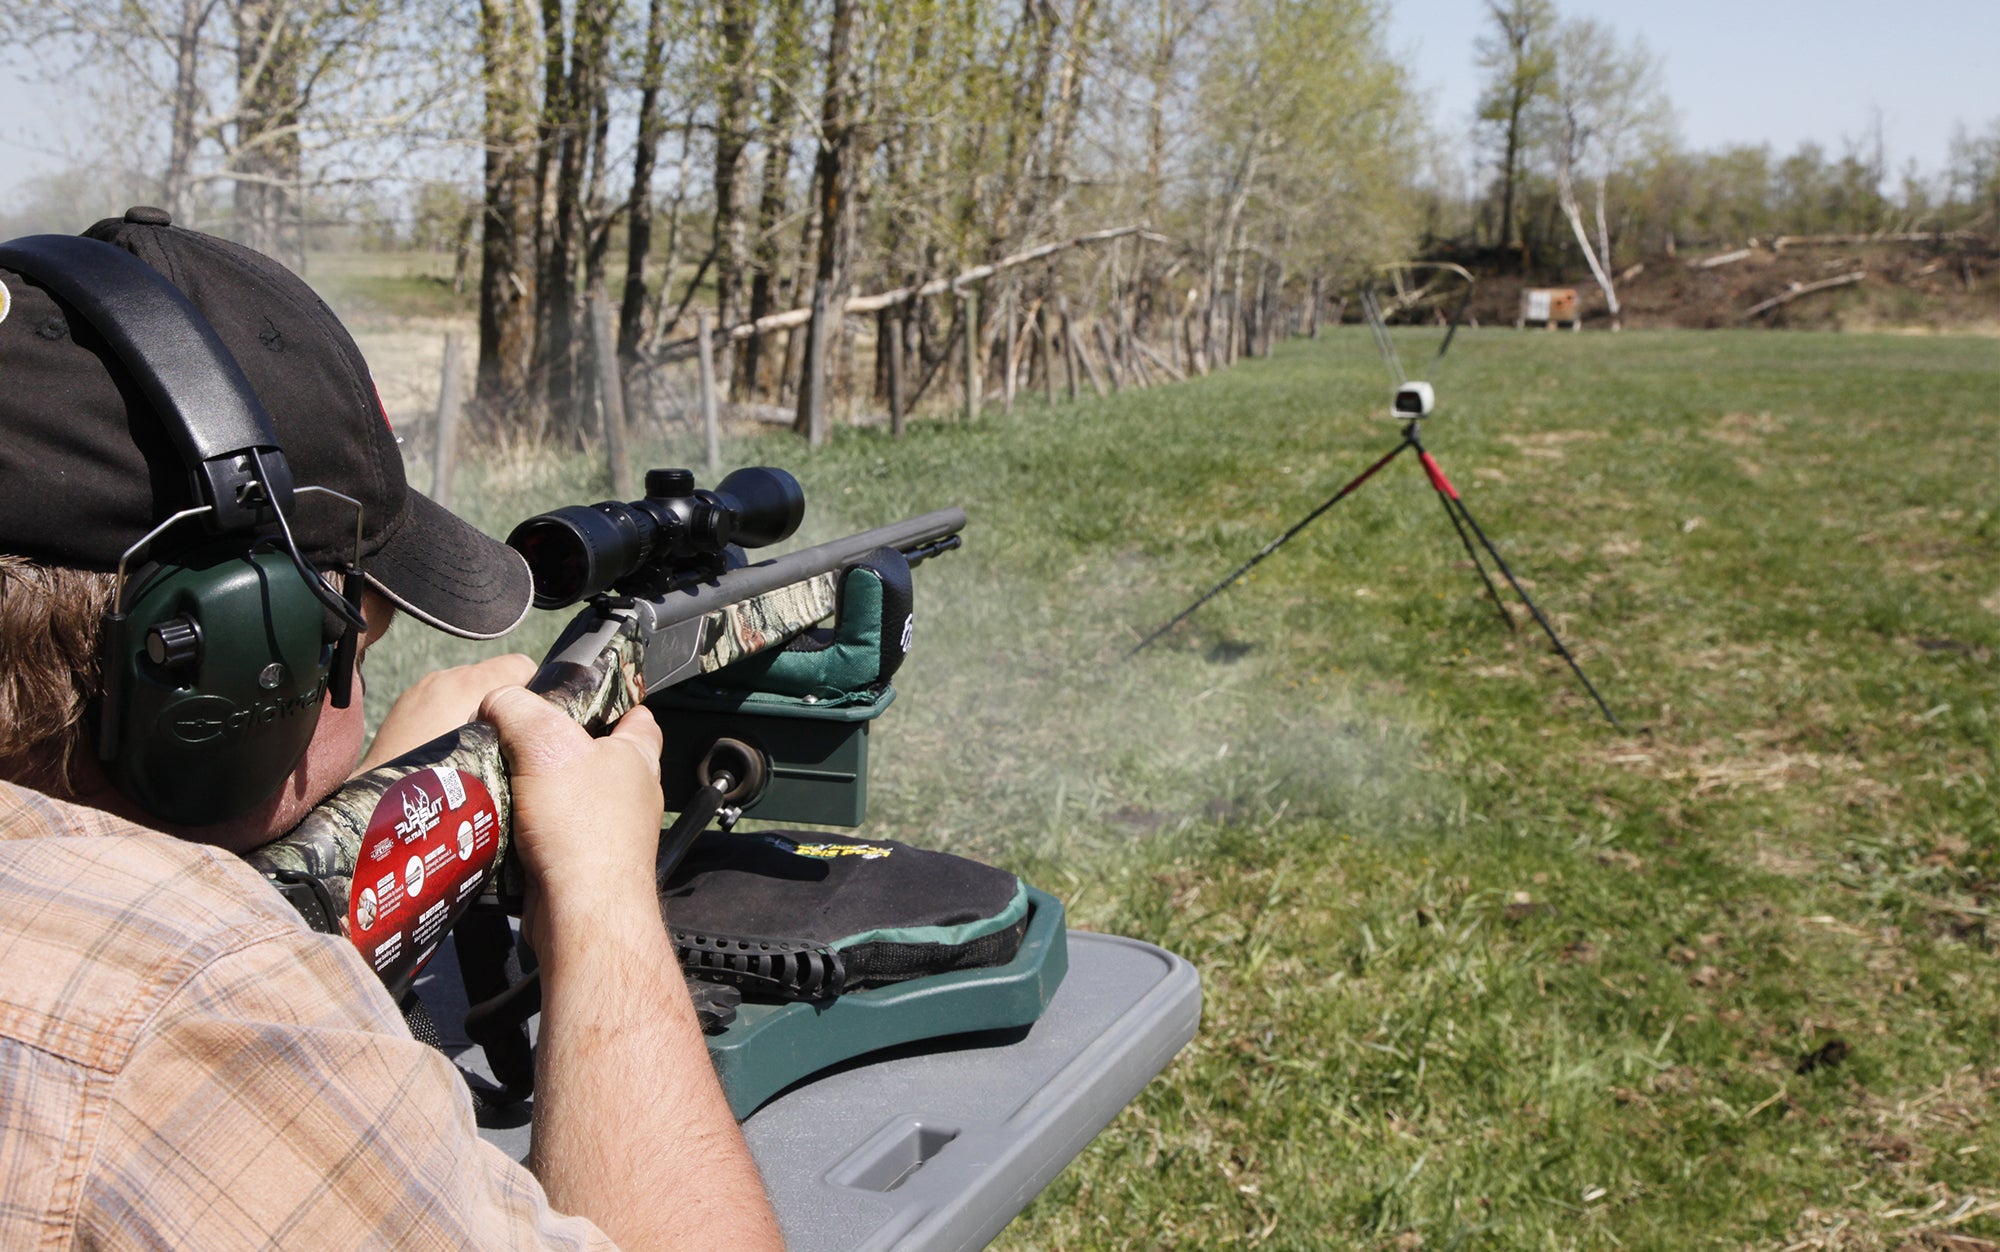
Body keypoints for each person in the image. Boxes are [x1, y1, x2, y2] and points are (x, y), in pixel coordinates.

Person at [0, 209, 785, 1249]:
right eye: (354, 648)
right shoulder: (192, 1000)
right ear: (233, 658)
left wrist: (382, 793)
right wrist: (600, 898)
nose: (360, 693)